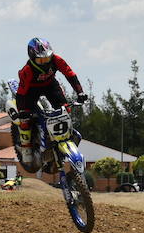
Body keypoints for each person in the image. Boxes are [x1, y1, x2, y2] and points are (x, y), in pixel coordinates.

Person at [11, 37, 88, 170]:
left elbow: (69, 74)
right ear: (32, 57)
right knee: (25, 119)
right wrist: (22, 111)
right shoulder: (27, 70)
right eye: (41, 59)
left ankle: (65, 136)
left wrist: (80, 92)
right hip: (31, 90)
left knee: (65, 109)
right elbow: (21, 92)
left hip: (50, 85)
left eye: (47, 58)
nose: (45, 62)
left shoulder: (56, 59)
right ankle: (26, 148)